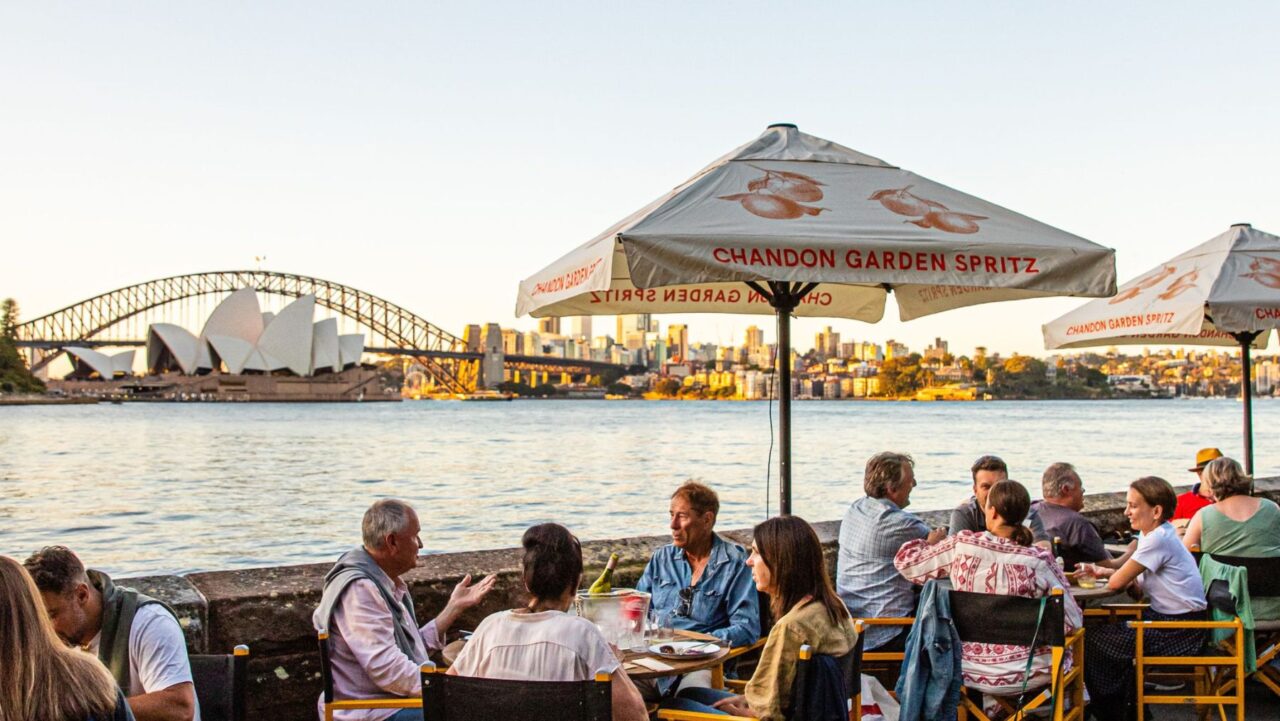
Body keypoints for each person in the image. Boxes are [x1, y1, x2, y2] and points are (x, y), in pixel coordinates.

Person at [312, 499, 497, 721]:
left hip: (389, 702)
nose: (421, 544)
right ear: (392, 542)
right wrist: (449, 689)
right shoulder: (360, 590)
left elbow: (409, 649)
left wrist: (454, 607)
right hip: (373, 711)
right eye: (415, 536)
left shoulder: (384, 581)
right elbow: (387, 669)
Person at [895, 480, 1083, 696]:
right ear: (1023, 515)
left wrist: (927, 542)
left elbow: (906, 563)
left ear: (992, 512)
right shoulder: (1039, 560)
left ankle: (991, 709)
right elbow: (1073, 621)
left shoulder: (961, 547)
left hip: (966, 669)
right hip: (1029, 672)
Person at [662, 515, 860, 719]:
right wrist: (748, 700)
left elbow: (768, 711)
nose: (748, 561)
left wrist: (740, 711)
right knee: (690, 693)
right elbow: (781, 693)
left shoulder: (791, 628)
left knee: (672, 705)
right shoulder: (834, 607)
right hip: (814, 711)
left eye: (756, 553)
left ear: (780, 561)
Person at [447, 523, 647, 721]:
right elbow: (636, 715)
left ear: (526, 580)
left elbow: (447, 695)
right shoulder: (582, 633)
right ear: (576, 581)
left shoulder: (490, 627)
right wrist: (613, 662)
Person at [1081, 477, 1207, 721]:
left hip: (1179, 630)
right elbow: (1136, 587)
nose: (1126, 512)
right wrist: (1104, 572)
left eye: (1133, 505)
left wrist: (1111, 575)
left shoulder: (1157, 540)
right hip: (1171, 622)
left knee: (1091, 641)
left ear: (1156, 511)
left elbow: (1117, 584)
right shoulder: (1159, 535)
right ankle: (1124, 708)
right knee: (1103, 637)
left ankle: (1113, 710)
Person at [24, 546, 197, 721]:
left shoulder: (150, 622)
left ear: (82, 595)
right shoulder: (57, 635)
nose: (48, 628)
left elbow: (180, 708)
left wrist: (89, 712)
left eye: (52, 615)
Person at [635, 481, 760, 695]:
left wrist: (696, 644)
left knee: (689, 695)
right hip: (657, 660)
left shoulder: (734, 562)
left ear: (707, 519)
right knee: (606, 692)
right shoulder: (661, 559)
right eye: (671, 515)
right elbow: (638, 612)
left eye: (682, 516)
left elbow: (747, 628)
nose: (673, 525)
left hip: (705, 663)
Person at [0, 555, 135, 721]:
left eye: (53, 614)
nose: (53, 627)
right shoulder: (93, 679)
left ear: (82, 595)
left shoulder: (144, 621)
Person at [837, 452, 941, 652]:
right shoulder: (902, 524)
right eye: (910, 481)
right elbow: (938, 549)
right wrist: (933, 542)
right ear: (892, 489)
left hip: (851, 626)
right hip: (884, 632)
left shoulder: (855, 509)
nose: (914, 484)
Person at [1182, 457, 1280, 619]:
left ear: (1210, 484)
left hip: (1226, 611)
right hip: (1274, 608)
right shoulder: (1272, 508)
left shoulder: (1204, 515)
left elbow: (1183, 557)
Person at [948, 455, 1049, 545]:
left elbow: (1043, 546)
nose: (993, 492)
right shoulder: (965, 514)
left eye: (999, 486)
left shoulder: (1024, 512)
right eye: (986, 487)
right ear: (975, 490)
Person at [1031, 462, 1108, 570]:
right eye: (1080, 488)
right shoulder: (1078, 524)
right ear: (1066, 489)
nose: (1082, 492)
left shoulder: (1031, 510)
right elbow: (1106, 566)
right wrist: (1131, 552)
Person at [1171, 447, 1224, 532]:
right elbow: (1166, 530)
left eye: (1223, 470)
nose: (1222, 474)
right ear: (1200, 473)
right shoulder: (1181, 502)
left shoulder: (1235, 498)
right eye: (1215, 471)